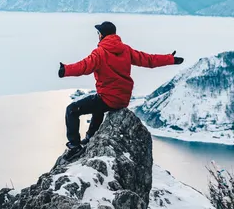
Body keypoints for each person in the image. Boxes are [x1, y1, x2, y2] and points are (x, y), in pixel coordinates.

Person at [58, 21, 184, 161]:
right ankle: (90, 137)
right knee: (97, 104)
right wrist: (170, 59)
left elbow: (84, 66)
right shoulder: (125, 50)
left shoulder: (100, 53)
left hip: (108, 98)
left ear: (102, 35)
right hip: (122, 98)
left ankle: (74, 146)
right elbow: (148, 59)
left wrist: (65, 70)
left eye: (98, 33)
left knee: (72, 110)